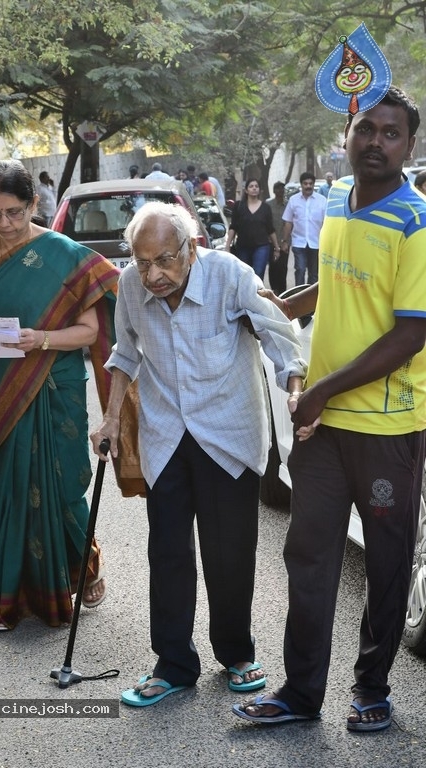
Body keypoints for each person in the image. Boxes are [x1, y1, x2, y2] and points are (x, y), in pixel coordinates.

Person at [232, 86, 426, 732]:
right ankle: (300, 691)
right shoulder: (339, 200)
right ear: (347, 134)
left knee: (386, 560)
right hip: (325, 423)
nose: (376, 142)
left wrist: (321, 390)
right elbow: (345, 277)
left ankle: (372, 687)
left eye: (391, 133)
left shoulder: (416, 223)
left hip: (386, 427)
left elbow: (409, 333)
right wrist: (296, 303)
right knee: (308, 555)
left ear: (409, 145)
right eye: (366, 129)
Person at [90, 201, 307, 707]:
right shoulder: (130, 285)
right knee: (167, 551)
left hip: (227, 431)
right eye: (142, 263)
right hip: (165, 431)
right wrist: (110, 417)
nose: (153, 275)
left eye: (164, 260)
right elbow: (124, 352)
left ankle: (236, 653)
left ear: (192, 248)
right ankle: (173, 663)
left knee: (229, 549)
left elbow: (279, 334)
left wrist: (295, 389)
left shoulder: (230, 275)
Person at [0, 160, 120, 631]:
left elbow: (89, 331)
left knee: (60, 486)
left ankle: (84, 567)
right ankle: (0, 595)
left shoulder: (64, 255)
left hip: (53, 384)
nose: (5, 225)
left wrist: (40, 339)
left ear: (34, 204)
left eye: (15, 213)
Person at [224, 178, 279, 281]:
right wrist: (227, 246)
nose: (254, 188)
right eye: (251, 186)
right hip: (243, 247)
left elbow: (270, 229)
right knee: (244, 275)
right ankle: (245, 296)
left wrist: (276, 248)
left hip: (261, 246)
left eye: (256, 186)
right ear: (246, 190)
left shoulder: (265, 207)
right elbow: (233, 227)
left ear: (259, 190)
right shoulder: (239, 206)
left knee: (258, 273)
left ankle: (257, 295)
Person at [281, 171, 326, 286]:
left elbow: (326, 223)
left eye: (310, 184)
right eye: (305, 184)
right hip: (298, 242)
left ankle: (311, 299)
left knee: (314, 273)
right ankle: (299, 296)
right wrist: (285, 241)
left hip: (316, 243)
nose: (308, 186)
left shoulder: (322, 201)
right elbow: (288, 222)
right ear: (301, 185)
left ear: (313, 184)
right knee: (300, 270)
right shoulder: (293, 200)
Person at [267, 181, 288, 295]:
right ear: (274, 191)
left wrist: (286, 241)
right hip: (270, 241)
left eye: (282, 189)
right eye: (278, 189)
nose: (280, 191)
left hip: (284, 241)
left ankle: (283, 291)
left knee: (283, 267)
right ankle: (274, 289)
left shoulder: (288, 205)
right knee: (273, 266)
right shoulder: (268, 204)